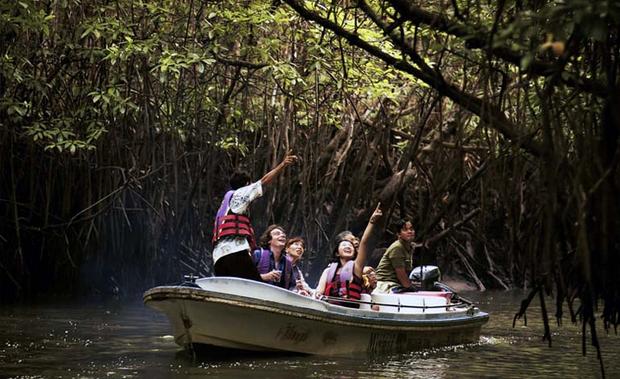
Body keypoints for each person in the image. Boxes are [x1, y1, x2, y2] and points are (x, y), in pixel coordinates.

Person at [211, 153, 297, 280]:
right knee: (252, 284)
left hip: (218, 256)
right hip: (235, 251)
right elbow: (264, 181)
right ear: (247, 183)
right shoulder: (241, 193)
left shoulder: (225, 204)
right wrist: (282, 165)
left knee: (230, 286)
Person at [315, 204, 383, 307]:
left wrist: (371, 222)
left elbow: (364, 242)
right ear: (337, 252)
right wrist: (318, 295)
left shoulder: (356, 268)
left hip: (349, 309)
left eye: (350, 245)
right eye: (344, 245)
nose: (348, 246)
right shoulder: (328, 271)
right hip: (330, 308)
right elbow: (319, 291)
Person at [374, 219, 416, 293]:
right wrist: (410, 288)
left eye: (411, 229)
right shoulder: (397, 247)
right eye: (405, 230)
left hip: (397, 284)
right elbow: (401, 274)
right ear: (399, 234)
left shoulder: (409, 247)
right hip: (386, 284)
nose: (409, 232)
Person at [253, 225, 296, 290]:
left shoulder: (287, 263)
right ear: (269, 240)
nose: (282, 235)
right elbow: (244, 276)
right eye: (277, 234)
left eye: (283, 234)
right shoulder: (258, 254)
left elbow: (292, 285)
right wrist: (263, 277)